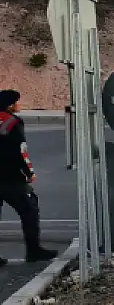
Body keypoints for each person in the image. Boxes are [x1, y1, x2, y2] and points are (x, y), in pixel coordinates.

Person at [0, 90, 57, 266]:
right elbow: (20, 151)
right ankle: (33, 250)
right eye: (17, 101)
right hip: (9, 177)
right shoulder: (12, 122)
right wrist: (29, 172)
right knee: (29, 209)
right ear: (10, 105)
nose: (19, 104)